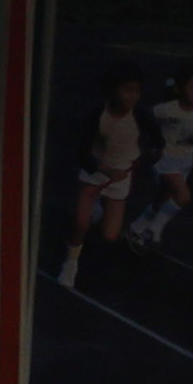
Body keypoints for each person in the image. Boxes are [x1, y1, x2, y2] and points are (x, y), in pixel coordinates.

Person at [61, 73, 145, 292]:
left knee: (110, 235)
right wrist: (104, 169)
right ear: (113, 91)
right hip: (96, 174)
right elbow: (82, 153)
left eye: (136, 90)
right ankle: (71, 263)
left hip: (120, 179)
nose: (132, 96)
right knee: (80, 223)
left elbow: (155, 144)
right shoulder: (97, 116)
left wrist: (139, 162)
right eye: (127, 90)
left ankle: (97, 211)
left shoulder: (141, 117)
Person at [136, 71, 193, 252]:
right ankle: (154, 230)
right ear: (179, 89)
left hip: (186, 161)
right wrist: (148, 149)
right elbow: (144, 125)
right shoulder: (164, 110)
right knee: (183, 196)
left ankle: (137, 227)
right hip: (165, 160)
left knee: (163, 199)